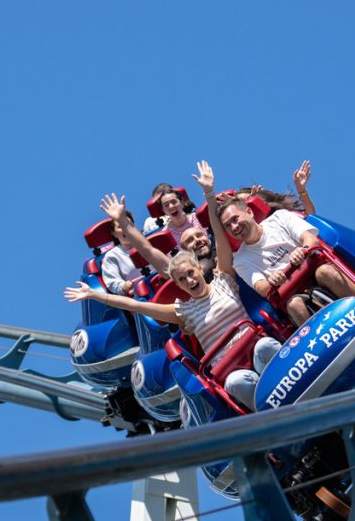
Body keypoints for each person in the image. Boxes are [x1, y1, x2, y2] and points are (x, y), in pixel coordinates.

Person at [67, 162, 280, 411]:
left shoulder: (224, 279)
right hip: (230, 368)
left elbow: (219, 233)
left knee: (266, 346)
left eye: (191, 274)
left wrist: (209, 194)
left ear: (200, 270)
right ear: (176, 284)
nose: (190, 281)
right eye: (182, 280)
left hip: (255, 347)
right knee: (235, 382)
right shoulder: (182, 310)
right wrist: (96, 295)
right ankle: (272, 414)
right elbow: (136, 298)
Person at [213, 165, 355, 326]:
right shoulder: (241, 260)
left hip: (314, 270)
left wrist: (303, 250)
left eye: (235, 219)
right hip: (294, 293)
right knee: (294, 305)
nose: (234, 227)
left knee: (325, 272)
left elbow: (310, 239)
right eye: (228, 226)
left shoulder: (280, 218)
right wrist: (271, 281)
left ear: (249, 212)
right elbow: (261, 286)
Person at [101, 193, 217, 283]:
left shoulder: (222, 253)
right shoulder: (183, 276)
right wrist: (122, 221)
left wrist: (209, 192)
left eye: (199, 235)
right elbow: (148, 250)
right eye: (189, 240)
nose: (197, 241)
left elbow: (218, 222)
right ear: (184, 249)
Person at [99, 213, 140, 295]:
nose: (125, 228)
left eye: (128, 224)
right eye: (120, 227)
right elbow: (112, 282)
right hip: (141, 295)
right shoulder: (112, 256)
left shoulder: (148, 242)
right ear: (114, 233)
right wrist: (124, 286)